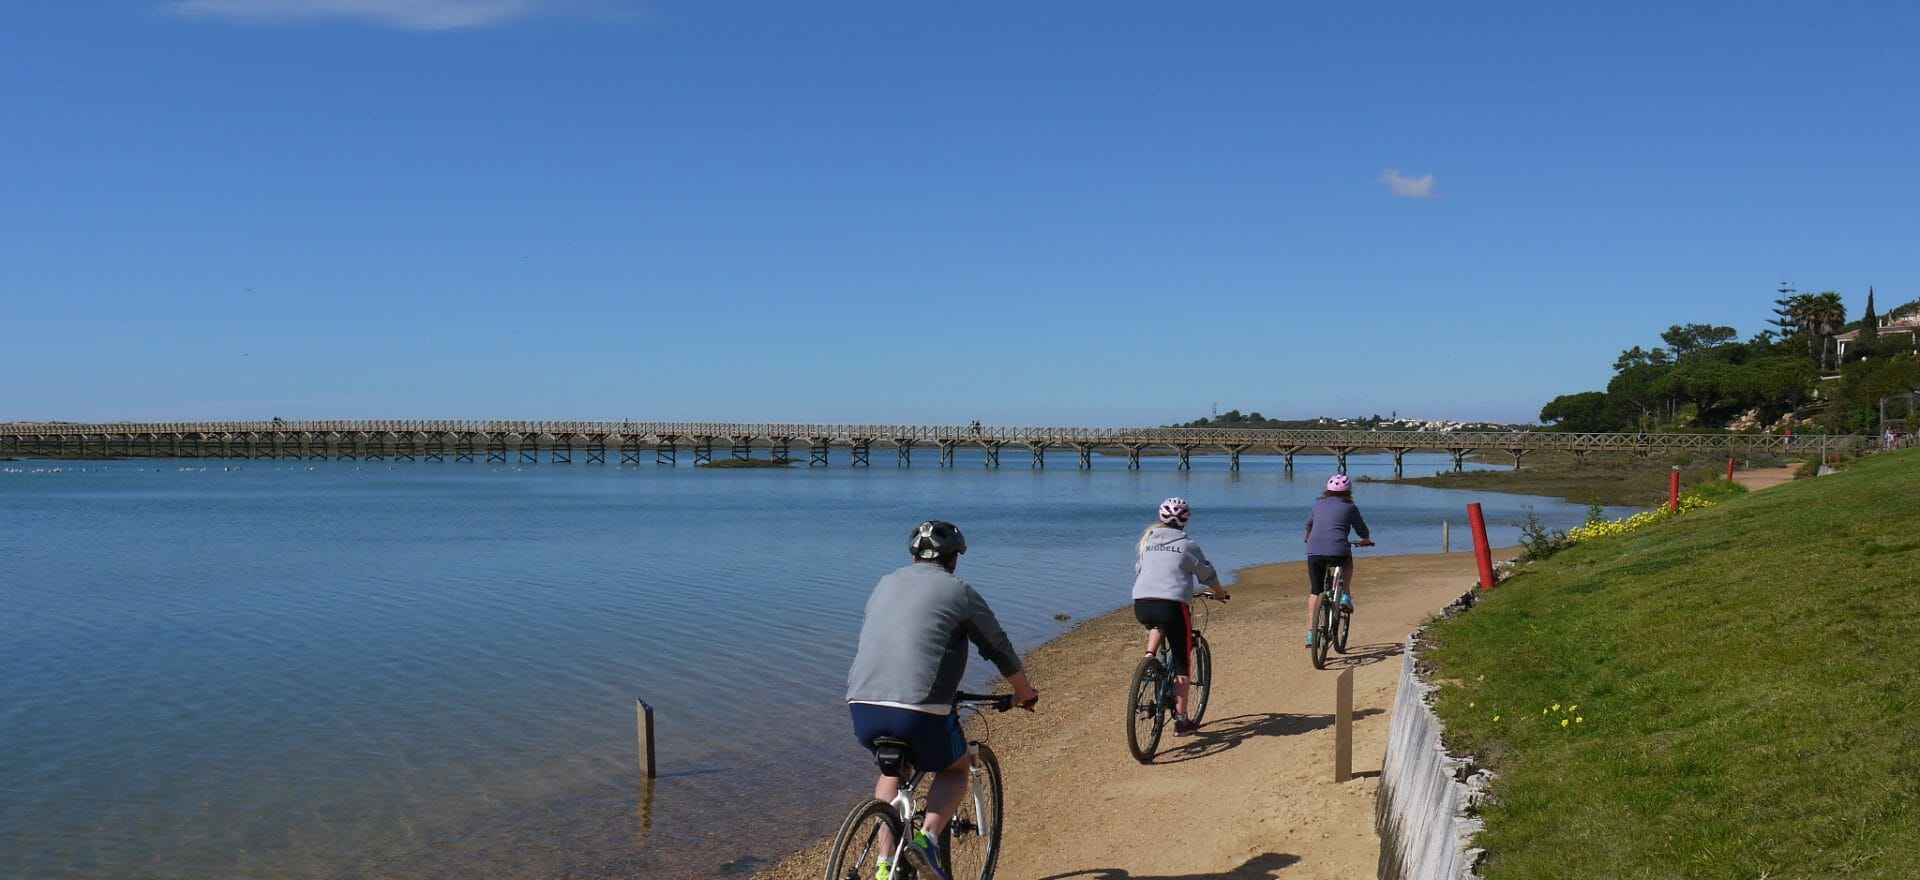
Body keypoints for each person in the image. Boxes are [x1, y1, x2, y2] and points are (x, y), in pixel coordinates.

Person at [846, 520, 1039, 880]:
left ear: (914, 556)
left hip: (862, 705)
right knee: (955, 768)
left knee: (892, 771)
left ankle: (883, 865)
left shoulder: (884, 584)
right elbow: (998, 647)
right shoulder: (959, 592)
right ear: (953, 560)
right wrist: (1024, 694)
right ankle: (928, 840)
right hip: (919, 711)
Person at [1131, 497, 1229, 737]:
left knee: (1157, 623)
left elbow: (1139, 569)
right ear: (1186, 521)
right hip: (1173, 607)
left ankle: (1148, 658)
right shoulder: (1188, 545)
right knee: (1182, 663)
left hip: (1141, 604)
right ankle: (1182, 721)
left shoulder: (1149, 542)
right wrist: (1220, 593)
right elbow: (1207, 574)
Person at [1304, 474, 1374, 648]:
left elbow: (1308, 528)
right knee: (1347, 558)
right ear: (1348, 491)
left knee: (1315, 591)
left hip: (1314, 552)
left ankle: (1312, 634)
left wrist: (1309, 539)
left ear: (1327, 490)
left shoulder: (1318, 504)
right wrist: (1366, 539)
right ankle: (1345, 595)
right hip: (1338, 551)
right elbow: (1361, 529)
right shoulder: (1350, 507)